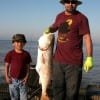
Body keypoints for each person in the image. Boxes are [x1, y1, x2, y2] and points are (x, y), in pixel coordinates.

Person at [43, 0, 94, 100]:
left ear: (77, 4)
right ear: (64, 3)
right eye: (68, 1)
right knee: (57, 91)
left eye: (73, 2)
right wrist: (49, 29)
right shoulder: (59, 16)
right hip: (57, 61)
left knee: (72, 94)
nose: (70, 4)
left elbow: (87, 37)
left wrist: (89, 57)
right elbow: (55, 27)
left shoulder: (82, 18)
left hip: (74, 63)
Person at [4, 33, 32, 100]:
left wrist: (27, 77)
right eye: (17, 42)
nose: (19, 44)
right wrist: (7, 76)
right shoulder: (10, 54)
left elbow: (28, 67)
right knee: (14, 98)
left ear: (24, 43)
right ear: (13, 43)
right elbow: (6, 66)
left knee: (24, 98)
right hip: (12, 80)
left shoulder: (26, 54)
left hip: (23, 81)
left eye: (22, 42)